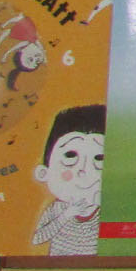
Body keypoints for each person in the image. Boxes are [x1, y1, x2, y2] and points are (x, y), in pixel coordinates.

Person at [30, 105, 104, 257]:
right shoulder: (57, 209)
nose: (83, 170)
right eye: (70, 156)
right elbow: (38, 238)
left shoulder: (106, 212)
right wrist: (66, 215)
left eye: (99, 159)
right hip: (61, 269)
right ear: (44, 173)